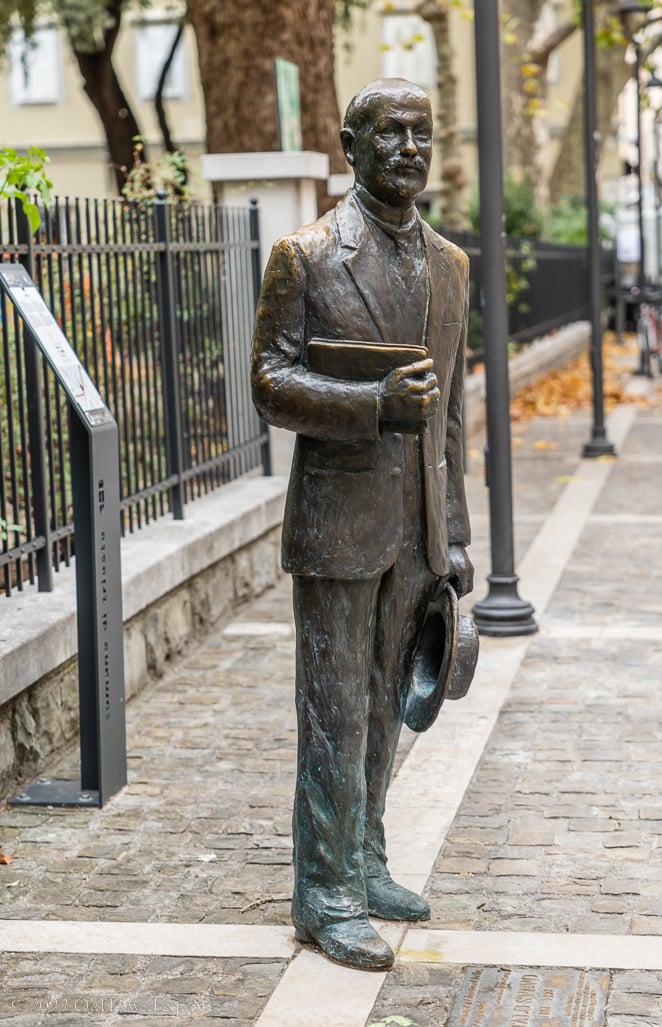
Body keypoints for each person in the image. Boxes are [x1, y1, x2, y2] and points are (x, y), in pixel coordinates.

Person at [250, 78, 473, 972]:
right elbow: (268, 381)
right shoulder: (304, 256)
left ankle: (366, 858)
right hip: (338, 523)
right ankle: (324, 892)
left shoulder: (451, 265)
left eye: (423, 133)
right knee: (335, 709)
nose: (409, 149)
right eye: (390, 134)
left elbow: (453, 418)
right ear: (351, 144)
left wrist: (453, 538)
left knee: (385, 709)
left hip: (415, 527)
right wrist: (369, 403)